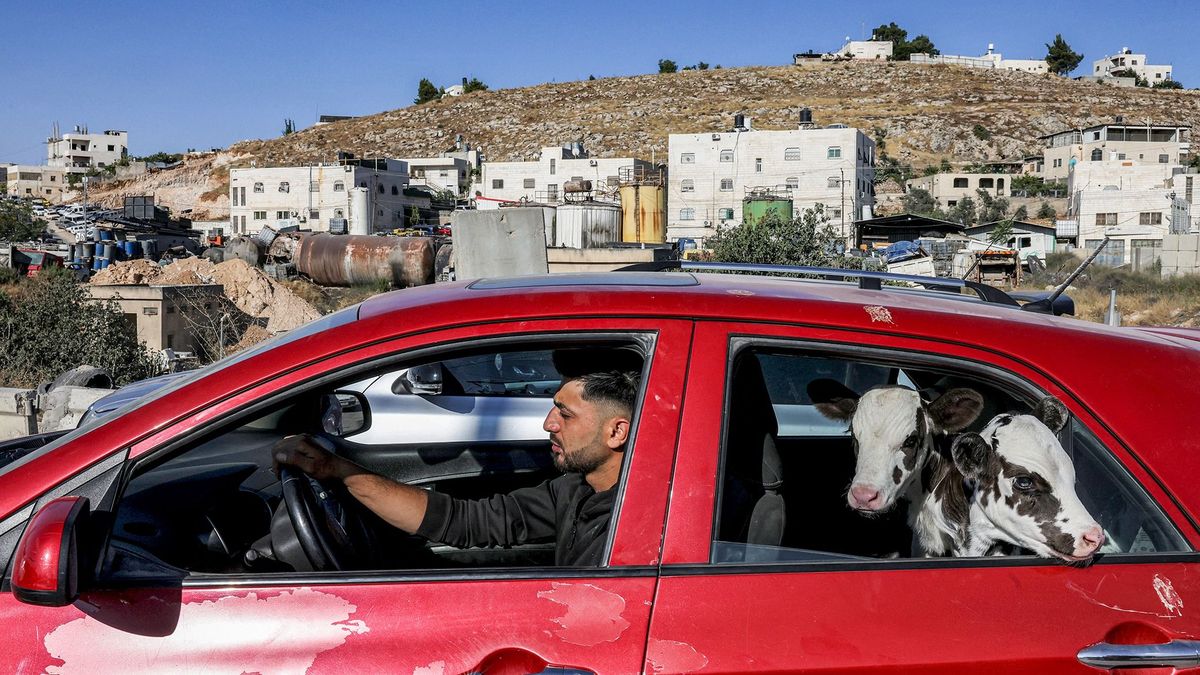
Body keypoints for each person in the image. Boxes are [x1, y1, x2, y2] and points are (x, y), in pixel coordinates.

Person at [272, 352, 641, 567]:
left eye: (566, 414)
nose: (548, 423)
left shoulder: (641, 520)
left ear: (616, 433)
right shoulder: (575, 489)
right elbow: (466, 522)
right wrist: (338, 471)